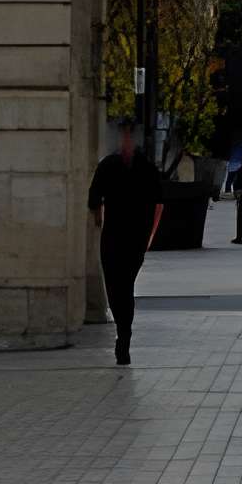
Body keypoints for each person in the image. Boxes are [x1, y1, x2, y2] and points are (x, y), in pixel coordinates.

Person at [88, 122, 165, 365]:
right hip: (124, 236)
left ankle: (124, 334)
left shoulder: (145, 168)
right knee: (117, 287)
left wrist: (149, 236)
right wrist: (99, 215)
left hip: (126, 237)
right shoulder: (110, 166)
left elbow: (158, 204)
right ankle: (124, 329)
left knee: (122, 286)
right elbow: (94, 198)